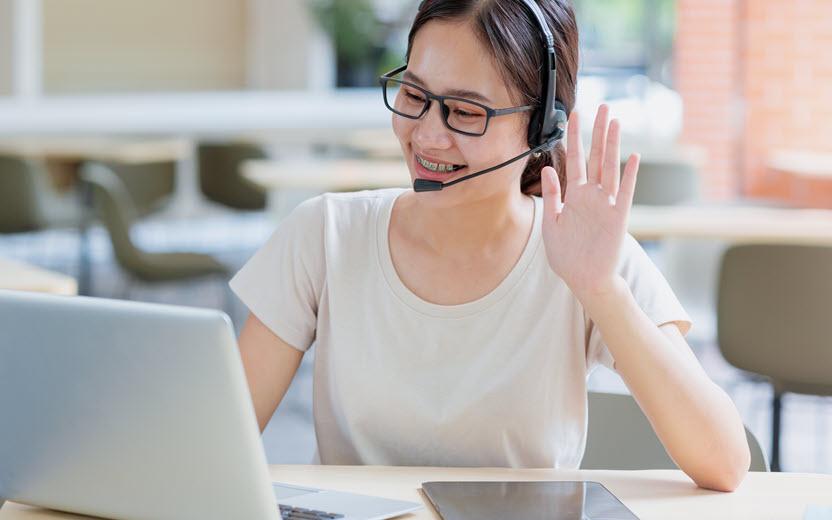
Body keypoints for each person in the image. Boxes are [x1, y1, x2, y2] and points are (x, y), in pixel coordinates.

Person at [230, 0, 750, 492]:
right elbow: (218, 442)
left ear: (542, 125)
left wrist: (601, 290)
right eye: (413, 96)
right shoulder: (324, 235)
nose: (428, 136)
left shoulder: (587, 252)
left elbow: (724, 462)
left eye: (465, 111)